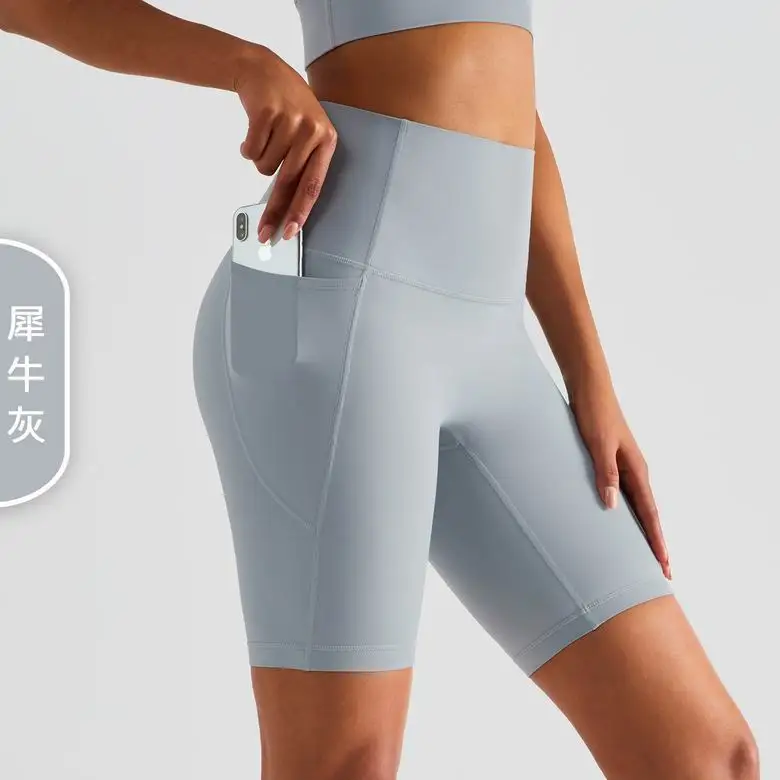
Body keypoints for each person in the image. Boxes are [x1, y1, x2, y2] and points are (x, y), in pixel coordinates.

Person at [1, 2, 760, 779]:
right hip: (320, 300)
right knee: (343, 764)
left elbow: (506, 97)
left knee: (706, 757)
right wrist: (244, 63)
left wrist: (588, 371)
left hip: (493, 342)